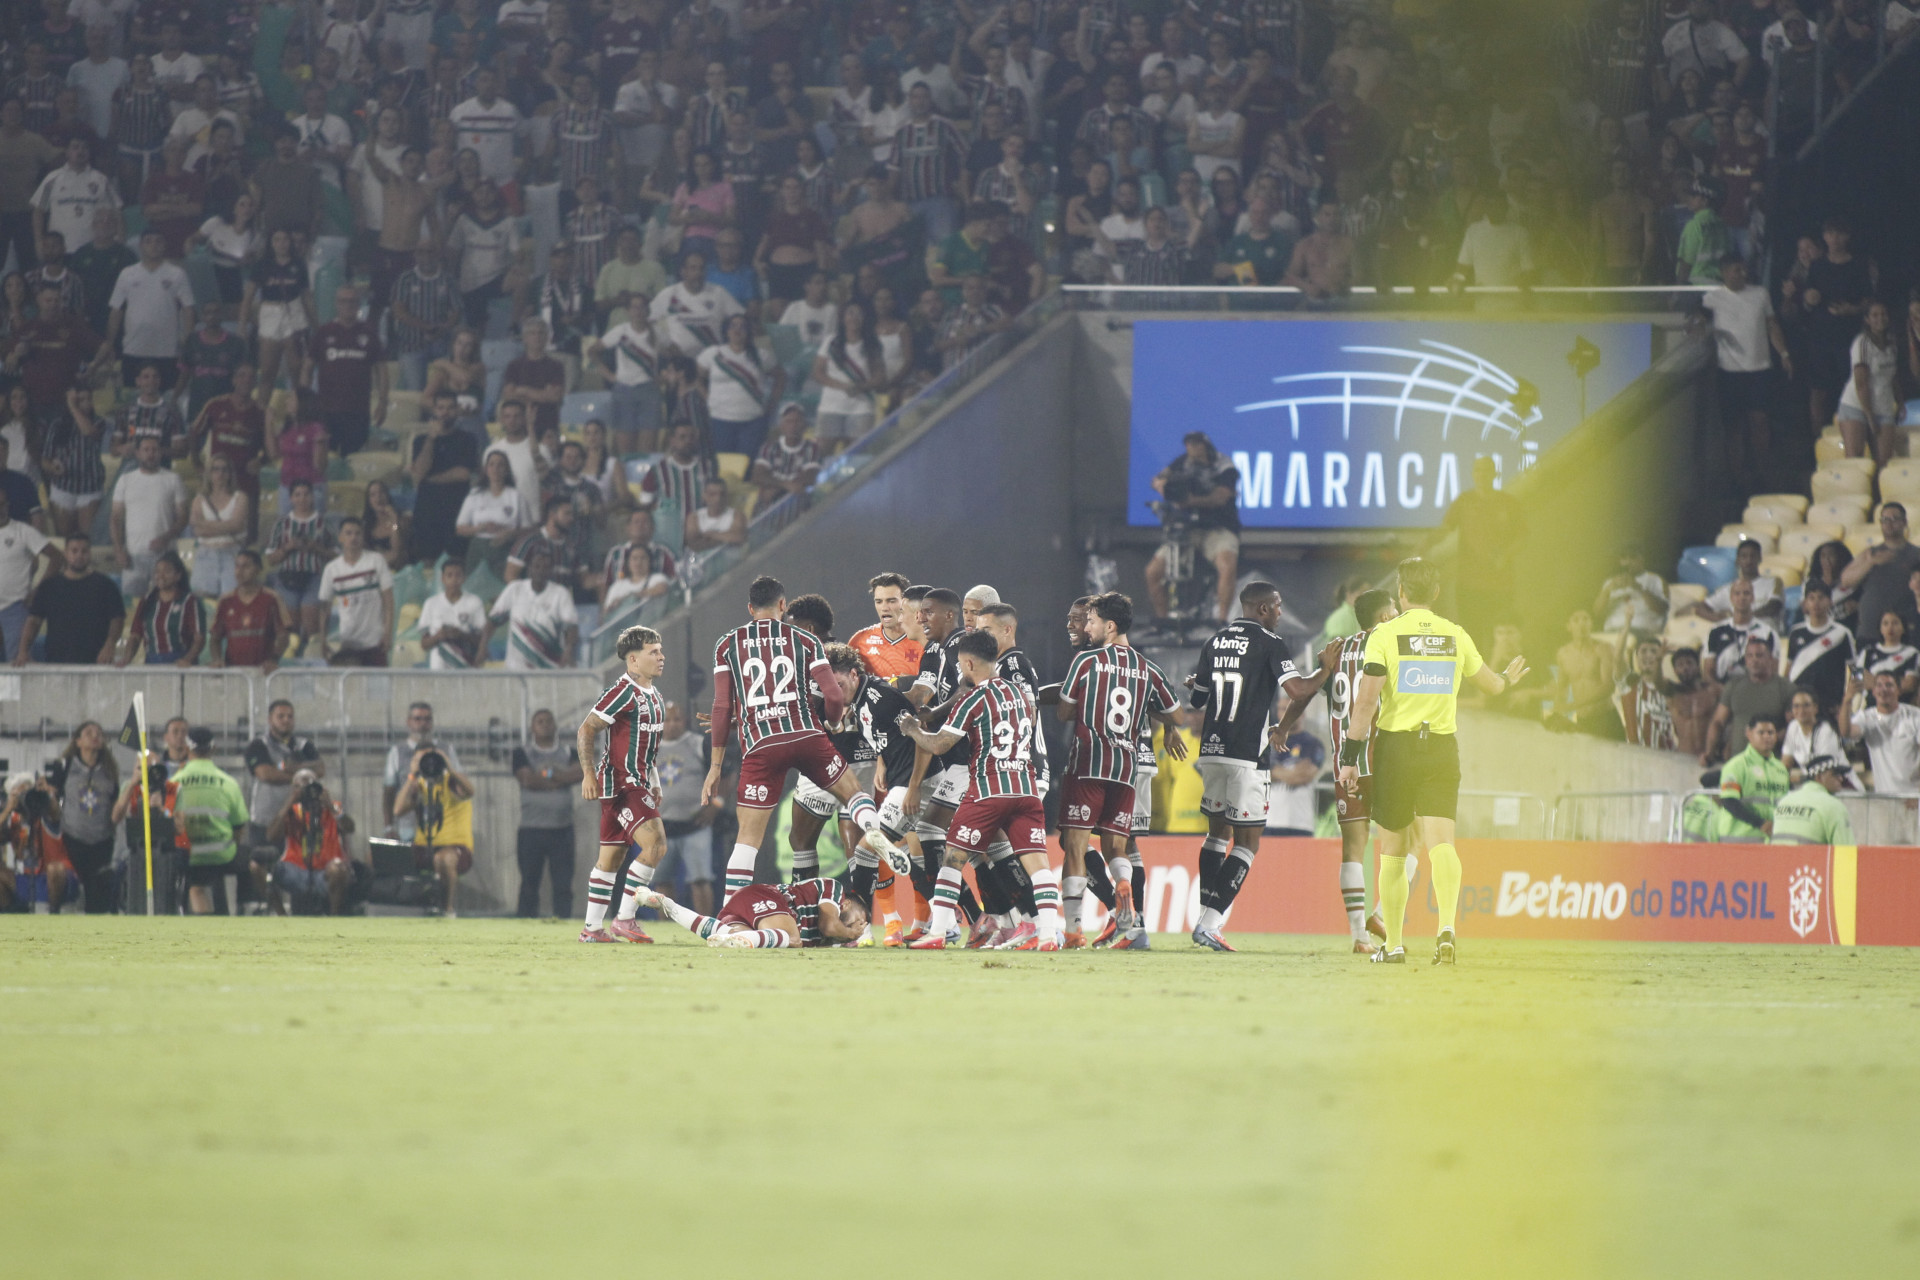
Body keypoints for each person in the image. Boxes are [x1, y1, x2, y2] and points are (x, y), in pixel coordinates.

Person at [1338, 558, 1531, 965]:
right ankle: (1446, 929)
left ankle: (1393, 946)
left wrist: (1350, 758)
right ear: (1437, 593)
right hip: (1441, 748)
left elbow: (1366, 703)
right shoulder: (1455, 634)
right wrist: (1508, 679)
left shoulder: (1385, 635)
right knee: (1441, 844)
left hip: (1396, 749)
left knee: (1393, 850)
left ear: (1402, 593)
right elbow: (1492, 686)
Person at [705, 574, 905, 901]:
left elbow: (722, 706)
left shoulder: (728, 644)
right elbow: (835, 695)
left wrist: (715, 766)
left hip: (762, 743)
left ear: (750, 608)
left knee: (750, 840)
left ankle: (730, 914)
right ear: (782, 605)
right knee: (854, 796)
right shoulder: (805, 640)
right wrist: (833, 723)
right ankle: (874, 829)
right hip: (809, 738)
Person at [890, 628, 1064, 949]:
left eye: (960, 665)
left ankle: (937, 933)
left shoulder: (974, 698)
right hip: (1025, 790)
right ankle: (1049, 936)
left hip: (988, 790)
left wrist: (912, 728)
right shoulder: (1019, 693)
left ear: (969, 663)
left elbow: (939, 744)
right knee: (1039, 866)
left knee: (953, 858)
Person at [1054, 591, 1187, 949]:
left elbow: (1064, 712)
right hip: (1127, 767)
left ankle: (1073, 931)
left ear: (1110, 626)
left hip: (1088, 763)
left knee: (1075, 847)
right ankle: (1123, 885)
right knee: (1117, 846)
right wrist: (1149, 709)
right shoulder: (1148, 668)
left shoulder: (1086, 660)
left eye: (1092, 621)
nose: (1087, 627)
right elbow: (1177, 715)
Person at [575, 626, 671, 942]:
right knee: (655, 845)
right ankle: (625, 919)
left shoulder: (655, 695)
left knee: (611, 859)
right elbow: (587, 730)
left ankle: (591, 929)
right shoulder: (622, 691)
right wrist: (588, 773)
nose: (661, 656)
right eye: (653, 652)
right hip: (621, 784)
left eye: (660, 650)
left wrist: (654, 781)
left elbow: (648, 748)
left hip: (637, 782)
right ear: (633, 659)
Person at [1319, 588, 1399, 951]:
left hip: (1344, 762)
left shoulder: (1337, 649)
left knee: (1353, 848)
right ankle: (1380, 915)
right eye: (1394, 610)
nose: (1398, 615)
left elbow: (1327, 691)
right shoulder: (1389, 645)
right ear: (1383, 617)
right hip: (1381, 757)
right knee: (1408, 840)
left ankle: (1358, 937)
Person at [1702, 256, 1791, 489]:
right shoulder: (1713, 298)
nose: (1742, 274)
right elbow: (1699, 322)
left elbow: (1772, 325)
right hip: (1729, 372)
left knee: (1760, 421)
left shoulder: (1760, 294)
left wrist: (1783, 353)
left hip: (1759, 369)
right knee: (1733, 427)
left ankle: (1763, 470)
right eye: (1736, 270)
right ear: (1724, 272)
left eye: (1743, 270)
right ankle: (1737, 476)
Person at [1146, 431, 1240, 622]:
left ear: (1205, 446)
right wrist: (1164, 488)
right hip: (1186, 530)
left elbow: (1221, 497)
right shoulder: (1182, 463)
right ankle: (1164, 622)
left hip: (1216, 528)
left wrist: (1191, 501)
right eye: (1189, 445)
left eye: (1196, 444)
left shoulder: (1223, 465)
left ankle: (1222, 620)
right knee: (1153, 572)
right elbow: (1157, 480)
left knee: (1227, 565)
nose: (1192, 449)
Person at [641, 873, 869, 948]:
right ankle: (739, 939)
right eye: (861, 919)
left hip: (745, 913)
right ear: (846, 904)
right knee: (792, 938)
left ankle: (667, 905)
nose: (860, 925)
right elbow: (829, 926)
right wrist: (851, 934)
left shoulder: (829, 939)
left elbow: (832, 934)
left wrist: (847, 939)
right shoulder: (834, 889)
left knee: (729, 934)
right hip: (764, 897)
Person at [166, 725, 251, 914]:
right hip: (222, 855)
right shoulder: (228, 782)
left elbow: (167, 822)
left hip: (187, 856)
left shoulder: (174, 782)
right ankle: (245, 907)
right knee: (251, 856)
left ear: (187, 749)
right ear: (213, 749)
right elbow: (239, 826)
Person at [393, 740, 476, 917]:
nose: (428, 764)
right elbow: (398, 810)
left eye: (431, 758)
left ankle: (447, 909)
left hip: (456, 846)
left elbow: (470, 791)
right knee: (385, 856)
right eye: (421, 760)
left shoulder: (451, 782)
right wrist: (411, 776)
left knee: (442, 858)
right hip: (423, 847)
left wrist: (449, 768)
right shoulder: (419, 785)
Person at [512, 707, 582, 920]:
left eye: (548, 721)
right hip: (531, 830)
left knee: (563, 884)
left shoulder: (569, 752)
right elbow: (527, 779)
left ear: (555, 726)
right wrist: (559, 777)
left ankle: (563, 922)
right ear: (532, 728)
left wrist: (546, 775)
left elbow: (580, 774)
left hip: (562, 830)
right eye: (539, 721)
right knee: (529, 884)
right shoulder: (522, 753)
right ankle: (525, 923)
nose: (544, 725)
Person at [14, 532, 119, 665]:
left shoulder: (105, 585)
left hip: (96, 660)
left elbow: (117, 618)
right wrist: (23, 651)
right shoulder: (49, 587)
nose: (79, 555)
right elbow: (34, 621)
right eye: (74, 551)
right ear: (65, 553)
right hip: (56, 660)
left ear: (90, 553)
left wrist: (110, 644)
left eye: (84, 551)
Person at [309, 284, 387, 457]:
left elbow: (381, 369)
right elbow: (307, 367)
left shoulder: (369, 333)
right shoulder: (324, 332)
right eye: (343, 301)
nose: (348, 305)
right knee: (325, 458)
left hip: (358, 410)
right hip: (327, 410)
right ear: (336, 304)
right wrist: (303, 401)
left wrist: (383, 402)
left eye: (352, 301)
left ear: (358, 304)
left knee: (353, 458)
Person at [47, 721, 117, 912]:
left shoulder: (109, 771)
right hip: (73, 839)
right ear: (77, 741)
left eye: (99, 733)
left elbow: (115, 805)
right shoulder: (66, 766)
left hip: (102, 841)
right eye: (88, 733)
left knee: (97, 896)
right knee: (71, 888)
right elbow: (52, 798)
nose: (95, 736)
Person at [267, 769, 357, 915]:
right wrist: (288, 803)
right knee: (263, 867)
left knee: (338, 869)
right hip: (296, 871)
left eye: (310, 786)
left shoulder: (332, 807)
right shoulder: (291, 811)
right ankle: (282, 917)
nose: (307, 791)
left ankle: (335, 917)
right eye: (300, 787)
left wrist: (330, 806)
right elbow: (271, 836)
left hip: (326, 872)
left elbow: (350, 828)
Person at [408, 389, 480, 565]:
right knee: (427, 563)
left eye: (450, 408)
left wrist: (431, 479)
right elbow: (419, 472)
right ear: (434, 410)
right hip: (427, 513)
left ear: (457, 410)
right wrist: (431, 439)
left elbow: (463, 474)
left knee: (457, 564)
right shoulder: (421, 440)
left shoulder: (468, 439)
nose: (445, 412)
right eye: (441, 408)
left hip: (456, 512)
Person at [1702, 634, 1797, 766]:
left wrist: (1774, 737)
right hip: (1737, 763)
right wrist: (1709, 753)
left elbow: (1795, 728)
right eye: (1750, 656)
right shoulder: (1734, 685)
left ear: (1770, 658)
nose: (1754, 660)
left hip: (1771, 764)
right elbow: (1718, 722)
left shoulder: (1786, 688)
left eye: (1759, 655)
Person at [1837, 502, 1920, 641]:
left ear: (1904, 522)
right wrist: (1870, 563)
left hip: (1908, 630)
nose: (1889, 524)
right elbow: (1846, 580)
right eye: (1885, 520)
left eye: (1894, 519)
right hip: (1870, 630)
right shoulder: (1870, 553)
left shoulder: (1916, 555)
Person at [317, 517, 394, 667]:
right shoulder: (331, 569)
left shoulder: (376, 561)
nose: (353, 537)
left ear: (363, 537)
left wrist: (388, 633)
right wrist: (323, 640)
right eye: (348, 533)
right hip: (348, 644)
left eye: (357, 533)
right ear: (340, 537)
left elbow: (389, 600)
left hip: (375, 642)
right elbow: (324, 608)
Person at [490, 545, 576, 669]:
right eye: (537, 566)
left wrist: (568, 650)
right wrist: (482, 648)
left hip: (550, 666)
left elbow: (571, 627)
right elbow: (493, 621)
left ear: (551, 571)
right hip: (516, 668)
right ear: (529, 568)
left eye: (546, 567)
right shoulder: (515, 589)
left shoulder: (561, 594)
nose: (540, 570)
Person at [1836, 299, 1900, 466]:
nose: (1880, 318)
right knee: (1855, 459)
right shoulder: (1862, 343)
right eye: (1875, 315)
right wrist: (1869, 416)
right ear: (1867, 319)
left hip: (1884, 406)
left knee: (1884, 462)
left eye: (1883, 314)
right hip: (1857, 406)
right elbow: (1861, 382)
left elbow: (1892, 377)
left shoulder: (1892, 342)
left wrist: (1900, 403)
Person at [1840, 669, 1920, 793]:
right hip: (1884, 796)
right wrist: (1847, 700)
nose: (1883, 690)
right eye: (1879, 685)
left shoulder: (1915, 716)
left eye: (1889, 685)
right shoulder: (1866, 717)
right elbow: (1847, 732)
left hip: (1914, 795)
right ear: (1873, 691)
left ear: (1898, 690)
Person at [117, 550, 202, 667]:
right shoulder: (146, 601)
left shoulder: (189, 601)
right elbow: (135, 636)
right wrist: (126, 659)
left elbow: (199, 638)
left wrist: (187, 660)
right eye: (157, 571)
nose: (160, 576)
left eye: (167, 571)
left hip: (180, 663)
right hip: (151, 662)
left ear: (178, 575)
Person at [3, 771, 74, 911]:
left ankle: (53, 915)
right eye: (19, 794)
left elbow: (55, 814)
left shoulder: (45, 815)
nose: (25, 797)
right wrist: (7, 810)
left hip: (55, 879)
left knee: (55, 869)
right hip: (28, 879)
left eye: (27, 792)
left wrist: (47, 795)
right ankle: (13, 914)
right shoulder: (14, 821)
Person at [0, 485, 55, 661]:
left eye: (2, 504)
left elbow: (57, 558)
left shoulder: (23, 531)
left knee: (18, 662)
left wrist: (38, 590)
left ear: (8, 505)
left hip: (15, 607)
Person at [1786, 581, 1856, 714]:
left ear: (1830, 601)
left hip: (1832, 707)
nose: (1816, 603)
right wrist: (1788, 705)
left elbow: (1856, 672)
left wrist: (1846, 703)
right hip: (1801, 707)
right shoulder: (1796, 632)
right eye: (1811, 598)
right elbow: (1788, 671)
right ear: (1805, 603)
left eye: (1821, 597)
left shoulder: (1842, 633)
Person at [848, 570, 925, 681]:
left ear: (905, 602)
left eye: (891, 601)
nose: (884, 608)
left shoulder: (923, 640)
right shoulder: (859, 641)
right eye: (879, 602)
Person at [1703, 578, 1780, 681]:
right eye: (1737, 593)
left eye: (1746, 593)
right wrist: (1719, 688)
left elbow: (1773, 673)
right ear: (1731, 598)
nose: (1742, 597)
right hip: (1722, 687)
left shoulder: (1768, 633)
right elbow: (1708, 672)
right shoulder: (1715, 631)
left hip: (1755, 687)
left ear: (1752, 598)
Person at [1768, 757, 1855, 845]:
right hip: (1811, 855)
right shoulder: (1834, 807)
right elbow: (1845, 850)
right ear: (1819, 777)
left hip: (1776, 854)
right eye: (1836, 774)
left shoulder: (1784, 801)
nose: (1841, 779)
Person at [419, 558, 488, 670]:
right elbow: (424, 645)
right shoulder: (431, 603)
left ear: (464, 578)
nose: (454, 580)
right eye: (449, 575)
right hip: (439, 668)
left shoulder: (474, 602)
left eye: (458, 575)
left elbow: (482, 640)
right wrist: (438, 636)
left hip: (466, 667)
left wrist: (461, 634)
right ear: (443, 578)